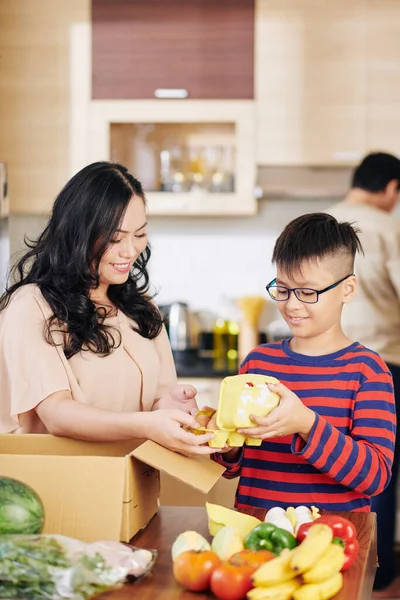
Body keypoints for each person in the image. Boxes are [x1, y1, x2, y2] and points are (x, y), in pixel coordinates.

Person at [0, 161, 222, 457]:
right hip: (55, 485)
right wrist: (147, 424)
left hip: (132, 486)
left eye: (139, 235)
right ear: (78, 235)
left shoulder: (142, 308)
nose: (130, 251)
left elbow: (155, 400)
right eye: (116, 238)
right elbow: (55, 413)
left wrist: (172, 406)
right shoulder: (31, 305)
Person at [212, 212, 396, 518]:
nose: (292, 305)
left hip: (332, 541)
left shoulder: (368, 371)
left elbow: (374, 476)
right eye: (282, 290)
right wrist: (225, 444)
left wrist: (308, 425)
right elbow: (234, 465)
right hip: (255, 534)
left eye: (308, 293)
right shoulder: (258, 362)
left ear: (347, 289)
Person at [327, 152, 400, 598]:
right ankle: (379, 567)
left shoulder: (323, 222)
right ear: (391, 188)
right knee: (379, 466)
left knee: (331, 459)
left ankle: (330, 556)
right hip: (384, 362)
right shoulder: (388, 227)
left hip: (323, 360)